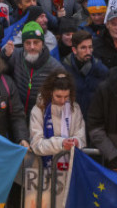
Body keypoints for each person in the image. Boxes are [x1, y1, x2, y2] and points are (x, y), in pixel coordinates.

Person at [27, 70, 86, 208]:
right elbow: (36, 144)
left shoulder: (74, 109)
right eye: (58, 96)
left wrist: (77, 142)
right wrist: (61, 144)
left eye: (66, 96)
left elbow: (81, 135)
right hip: (43, 174)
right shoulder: (38, 110)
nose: (63, 100)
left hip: (68, 174)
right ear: (50, 92)